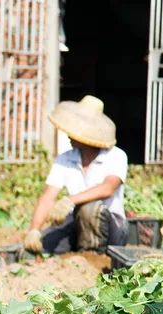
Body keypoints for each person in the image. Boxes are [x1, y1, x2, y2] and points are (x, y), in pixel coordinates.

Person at [24, 95, 129, 255]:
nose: (69, 134)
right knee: (41, 246)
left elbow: (107, 188)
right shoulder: (65, 158)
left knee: (88, 208)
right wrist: (34, 230)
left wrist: (70, 200)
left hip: (112, 227)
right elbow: (48, 196)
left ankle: (93, 258)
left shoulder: (116, 156)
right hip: (77, 223)